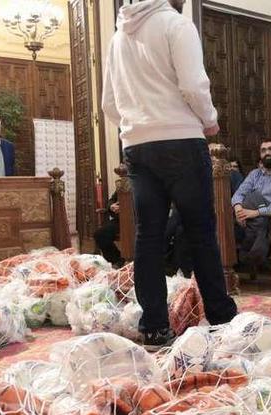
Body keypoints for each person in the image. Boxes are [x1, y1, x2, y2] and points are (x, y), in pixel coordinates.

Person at [102, 0, 238, 347]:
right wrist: (209, 121)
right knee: (201, 232)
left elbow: (108, 104)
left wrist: (138, 125)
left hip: (137, 146)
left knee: (148, 236)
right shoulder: (176, 24)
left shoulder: (119, 34)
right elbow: (193, 85)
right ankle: (221, 317)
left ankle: (154, 327)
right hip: (181, 140)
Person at [231, 139, 271, 267]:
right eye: (263, 150)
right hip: (249, 220)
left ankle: (247, 255)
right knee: (249, 199)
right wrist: (239, 210)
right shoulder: (254, 174)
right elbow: (238, 194)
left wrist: (256, 213)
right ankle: (254, 252)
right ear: (260, 155)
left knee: (254, 198)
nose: (267, 153)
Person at [94, 192, 123, 267]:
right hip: (120, 220)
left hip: (137, 221)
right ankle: (116, 260)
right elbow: (112, 200)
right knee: (100, 234)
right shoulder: (123, 184)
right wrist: (111, 206)